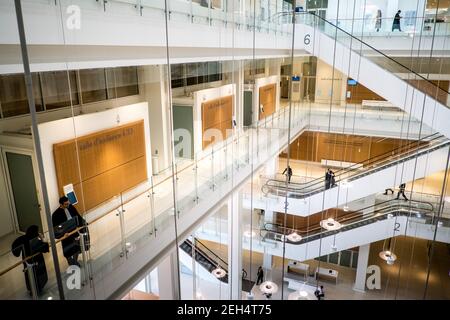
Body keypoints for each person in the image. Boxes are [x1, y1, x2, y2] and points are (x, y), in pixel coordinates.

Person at [11, 225, 49, 296]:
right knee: (37, 276)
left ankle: (32, 289)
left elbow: (15, 249)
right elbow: (45, 248)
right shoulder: (34, 241)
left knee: (30, 276)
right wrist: (41, 238)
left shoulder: (23, 239)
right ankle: (37, 290)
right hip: (37, 262)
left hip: (27, 263)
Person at [52, 196, 89, 267]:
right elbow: (56, 227)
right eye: (66, 204)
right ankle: (70, 262)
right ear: (61, 204)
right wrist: (62, 234)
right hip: (65, 234)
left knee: (77, 247)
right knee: (67, 249)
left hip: (74, 230)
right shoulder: (55, 215)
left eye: (68, 203)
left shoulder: (71, 207)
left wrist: (83, 223)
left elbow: (77, 216)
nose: (68, 205)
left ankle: (75, 261)